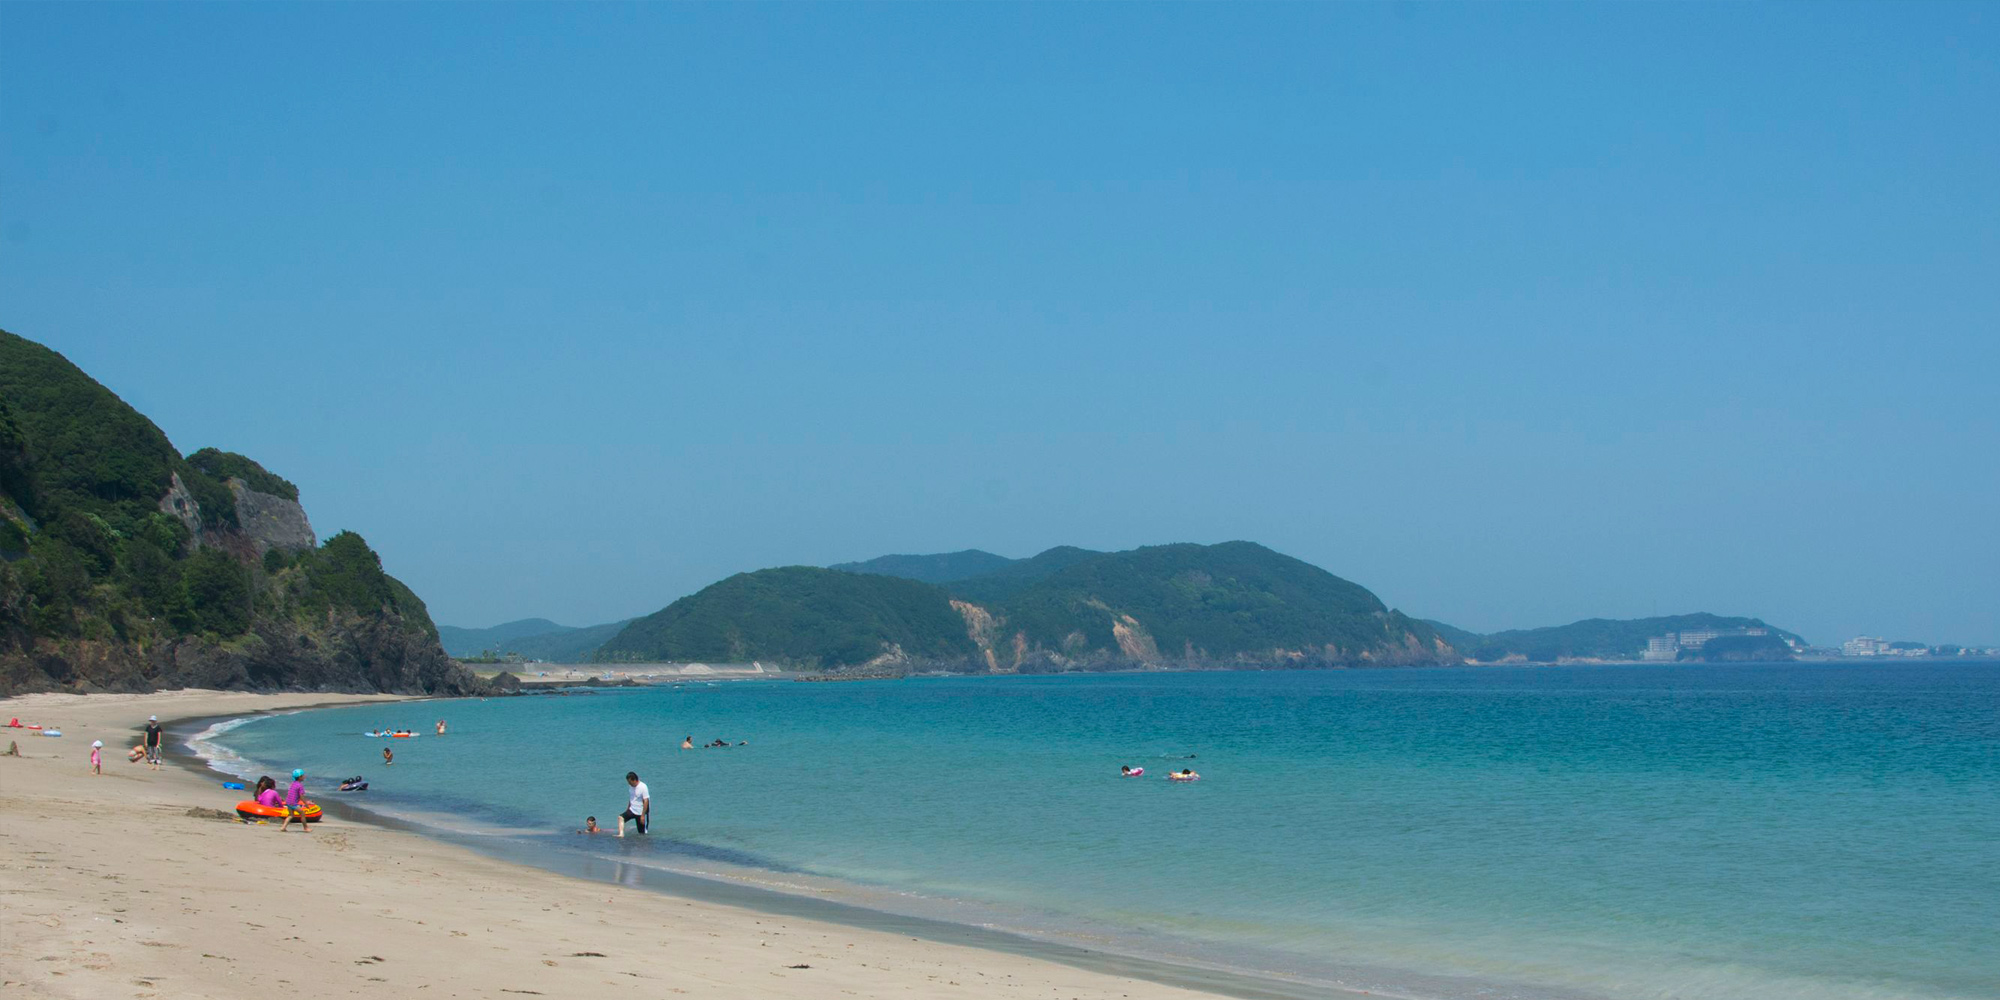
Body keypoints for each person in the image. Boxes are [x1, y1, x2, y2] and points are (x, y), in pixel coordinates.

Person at [279, 769, 311, 834]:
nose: (304, 776)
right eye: (303, 775)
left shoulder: (293, 783)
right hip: (293, 803)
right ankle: (306, 828)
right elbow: (301, 796)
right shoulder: (300, 785)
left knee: (291, 815)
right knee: (302, 814)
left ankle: (283, 827)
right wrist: (306, 803)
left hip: (288, 802)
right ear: (300, 777)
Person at [617, 771, 649, 837]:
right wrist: (628, 809)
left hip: (640, 812)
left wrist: (643, 815)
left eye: (630, 782)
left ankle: (643, 845)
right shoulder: (631, 787)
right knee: (621, 817)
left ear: (634, 780)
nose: (629, 784)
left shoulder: (643, 787)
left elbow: (646, 801)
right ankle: (621, 834)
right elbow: (631, 798)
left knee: (642, 834)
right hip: (632, 810)